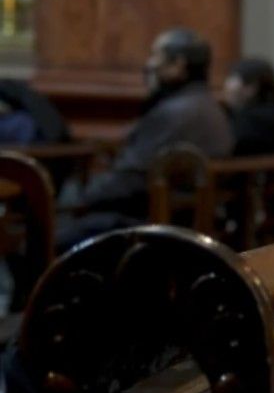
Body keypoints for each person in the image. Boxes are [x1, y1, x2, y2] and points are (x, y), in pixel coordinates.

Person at [59, 28, 234, 250]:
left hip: (151, 227)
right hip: (183, 221)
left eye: (156, 56)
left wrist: (83, 196)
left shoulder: (172, 113)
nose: (150, 64)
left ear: (177, 65)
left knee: (47, 238)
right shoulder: (212, 107)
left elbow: (130, 177)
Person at [222, 57, 274, 157]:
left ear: (252, 87)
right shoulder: (273, 114)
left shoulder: (254, 119)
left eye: (232, 78)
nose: (227, 86)